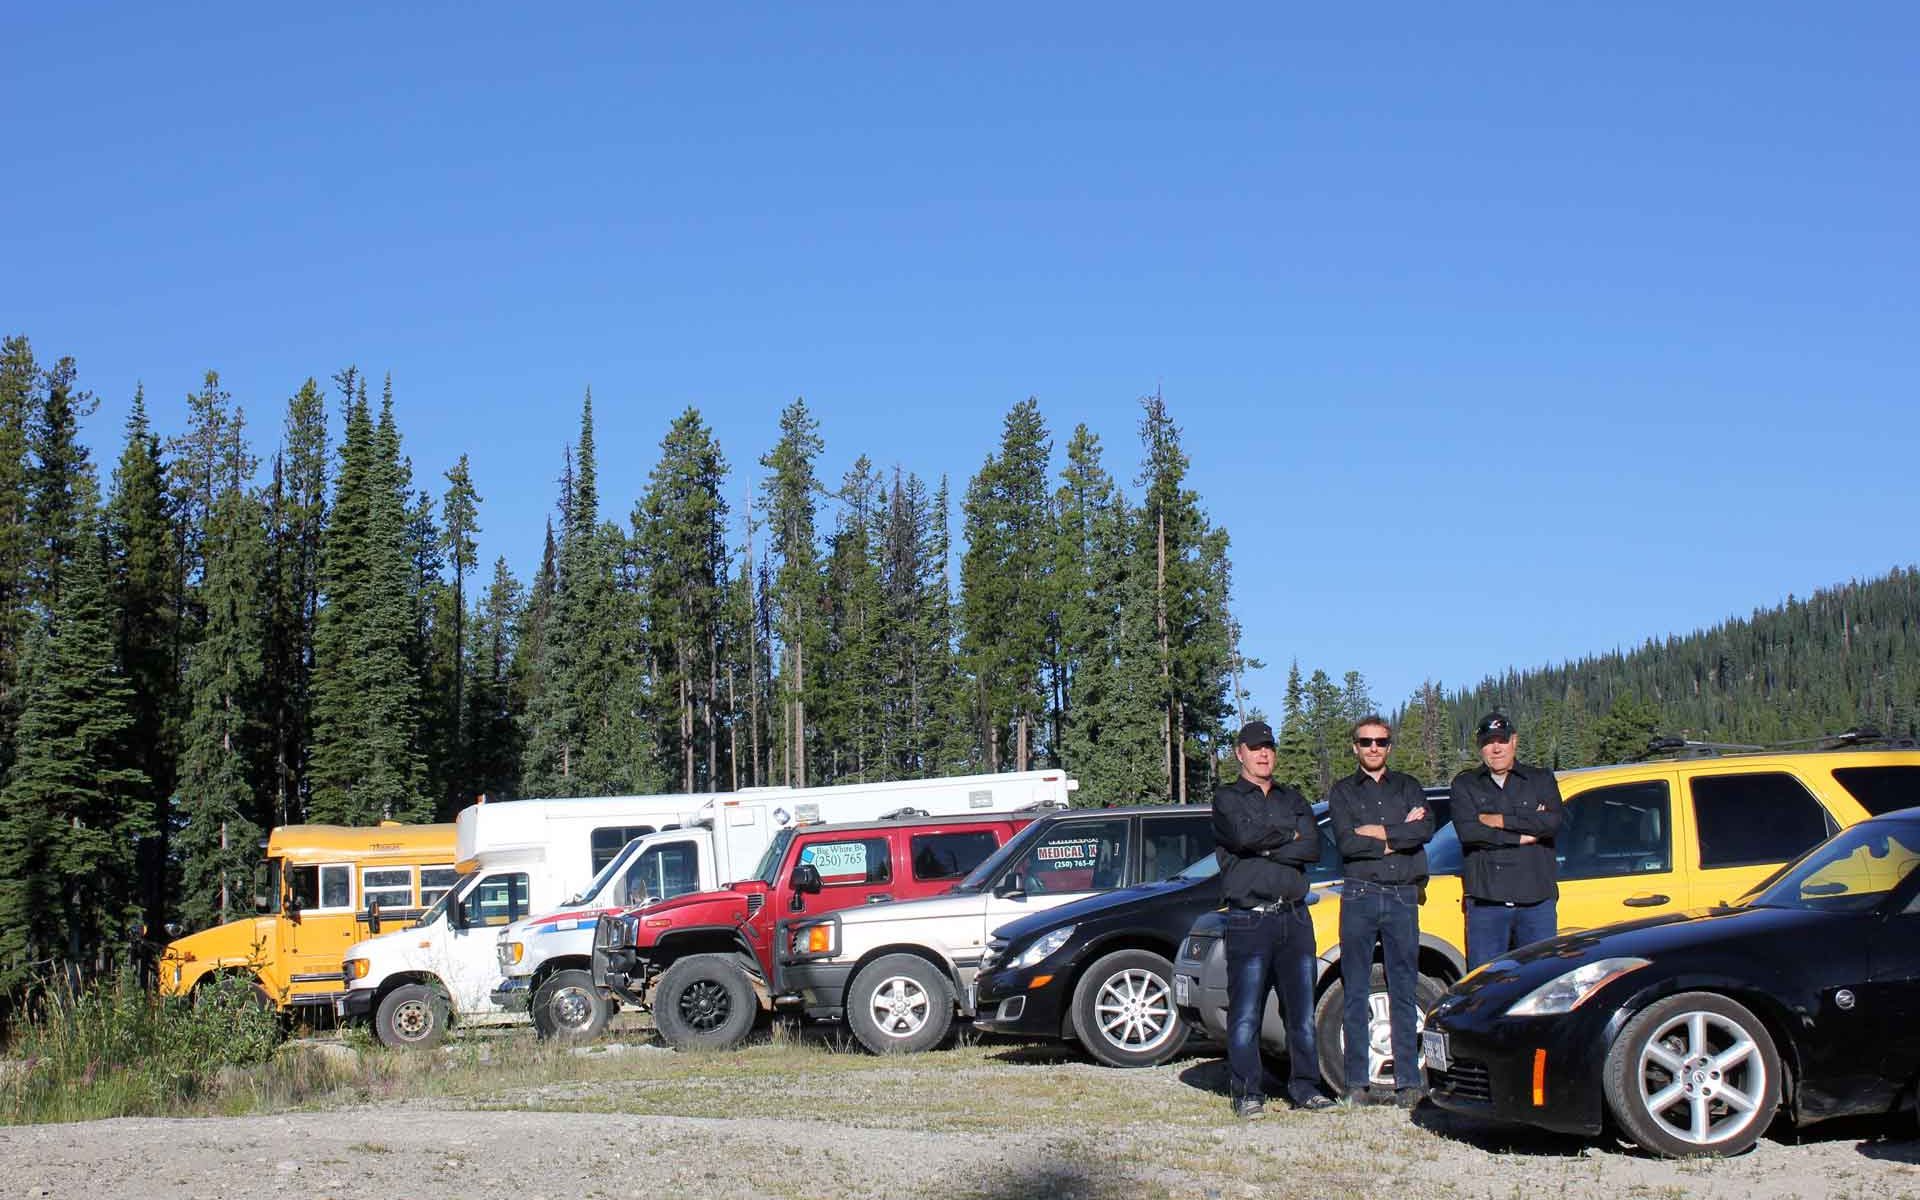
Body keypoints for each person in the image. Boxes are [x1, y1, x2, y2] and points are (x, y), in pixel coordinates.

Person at [1211, 719, 1334, 1118]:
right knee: (1245, 1013)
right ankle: (1248, 1092)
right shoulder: (1227, 798)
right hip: (1250, 920)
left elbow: (1312, 846)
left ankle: (1306, 1088)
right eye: (1255, 747)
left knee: (1300, 1014)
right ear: (1239, 753)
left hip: (1295, 919)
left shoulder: (1293, 798)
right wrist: (1286, 839)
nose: (1264, 754)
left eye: (1269, 747)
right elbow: (1242, 839)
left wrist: (1266, 845)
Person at [1326, 715, 1434, 1108]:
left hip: (1403, 896)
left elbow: (1425, 831)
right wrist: (1397, 834)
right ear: (1354, 746)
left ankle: (1409, 1082)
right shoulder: (1341, 792)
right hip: (1359, 895)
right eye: (1366, 741)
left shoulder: (1409, 787)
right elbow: (1346, 843)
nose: (1374, 747)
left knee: (1403, 988)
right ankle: (1356, 1083)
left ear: (1390, 746)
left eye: (1381, 741)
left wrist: (1374, 831)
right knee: (1355, 988)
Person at [1451, 712, 1565, 969]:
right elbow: (1469, 832)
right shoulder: (1465, 784)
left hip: (1537, 902)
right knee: (1485, 984)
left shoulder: (1540, 779)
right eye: (1488, 742)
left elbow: (1552, 823)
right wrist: (1522, 834)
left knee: (1541, 979)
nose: (1496, 748)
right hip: (1487, 904)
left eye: (1501, 740)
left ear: (1514, 741)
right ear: (1480, 747)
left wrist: (1498, 820)